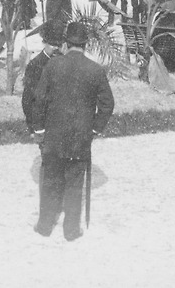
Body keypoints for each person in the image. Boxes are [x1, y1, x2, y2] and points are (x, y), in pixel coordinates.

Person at [31, 21, 115, 241]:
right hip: (80, 138)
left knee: (50, 182)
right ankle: (70, 231)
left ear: (66, 43)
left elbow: (38, 100)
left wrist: (39, 130)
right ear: (85, 44)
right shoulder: (95, 70)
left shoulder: (53, 66)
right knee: (75, 184)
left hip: (53, 136)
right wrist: (94, 129)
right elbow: (107, 104)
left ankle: (44, 226)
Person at [21, 20, 65, 131]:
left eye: (58, 45)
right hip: (44, 122)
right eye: (52, 44)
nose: (55, 48)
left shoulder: (66, 63)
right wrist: (32, 126)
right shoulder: (35, 65)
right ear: (44, 43)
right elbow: (28, 99)